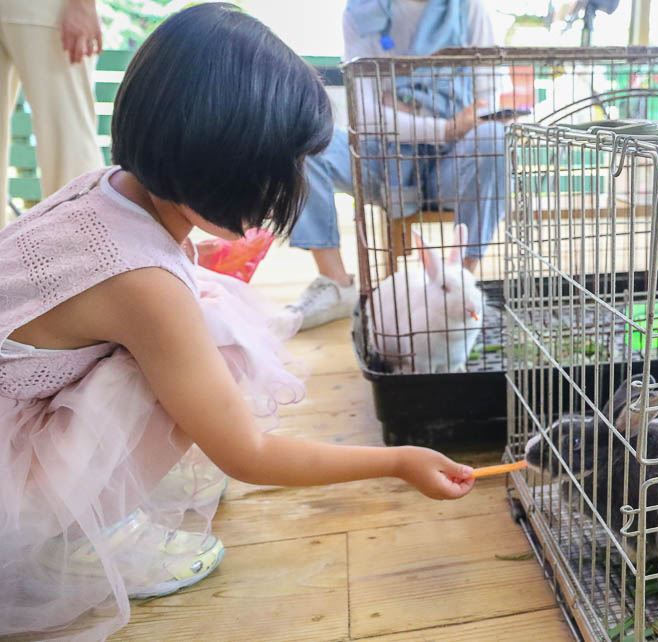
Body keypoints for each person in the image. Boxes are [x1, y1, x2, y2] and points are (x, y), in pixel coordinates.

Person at [0, 5, 475, 640]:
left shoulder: (104, 189)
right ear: (217, 162)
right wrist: (395, 463)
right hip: (12, 483)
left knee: (206, 319)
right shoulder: (142, 283)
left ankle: (90, 504)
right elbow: (247, 453)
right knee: (217, 347)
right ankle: (78, 532)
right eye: (279, 170)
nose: (292, 188)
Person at [287, 0, 509, 330]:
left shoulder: (470, 8)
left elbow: (487, 101)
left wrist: (402, 110)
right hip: (383, 160)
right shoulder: (359, 13)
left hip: (453, 162)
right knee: (301, 138)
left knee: (494, 136)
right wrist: (444, 126)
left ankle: (458, 281)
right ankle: (336, 283)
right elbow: (364, 115)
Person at [0, 0, 105, 227]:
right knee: (68, 140)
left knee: (68, 142)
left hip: (45, 10)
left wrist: (82, 5)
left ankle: (84, 248)